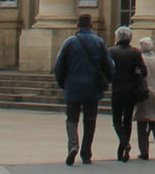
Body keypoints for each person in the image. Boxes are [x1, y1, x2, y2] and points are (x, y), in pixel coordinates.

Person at [53, 13, 111, 165]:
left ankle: (73, 145)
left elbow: (59, 65)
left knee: (72, 119)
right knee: (90, 120)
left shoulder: (69, 42)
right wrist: (106, 81)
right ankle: (86, 153)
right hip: (92, 87)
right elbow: (109, 66)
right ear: (91, 25)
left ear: (77, 26)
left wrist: (62, 83)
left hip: (73, 86)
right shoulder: (99, 42)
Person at [108, 26, 145, 162]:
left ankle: (124, 144)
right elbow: (143, 71)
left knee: (116, 120)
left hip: (117, 89)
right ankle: (123, 150)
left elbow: (107, 68)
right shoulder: (135, 53)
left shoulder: (111, 51)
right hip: (131, 90)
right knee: (127, 120)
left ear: (117, 38)